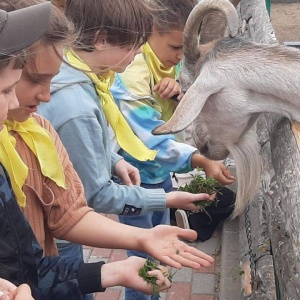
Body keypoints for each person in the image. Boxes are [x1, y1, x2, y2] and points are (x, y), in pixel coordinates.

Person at [0, 0, 214, 299]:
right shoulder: (73, 108)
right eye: (8, 89)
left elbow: (66, 217)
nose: (48, 96)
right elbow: (94, 196)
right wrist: (161, 201)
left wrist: (133, 247)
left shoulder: (37, 128)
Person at [110, 0, 235, 298]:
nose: (180, 57)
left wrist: (176, 89)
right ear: (150, 32)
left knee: (160, 242)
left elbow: (174, 91)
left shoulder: (164, 60)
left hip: (158, 173)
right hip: (134, 179)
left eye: (185, 52)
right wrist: (198, 159)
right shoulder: (131, 77)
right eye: (176, 48)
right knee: (141, 257)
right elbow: (146, 135)